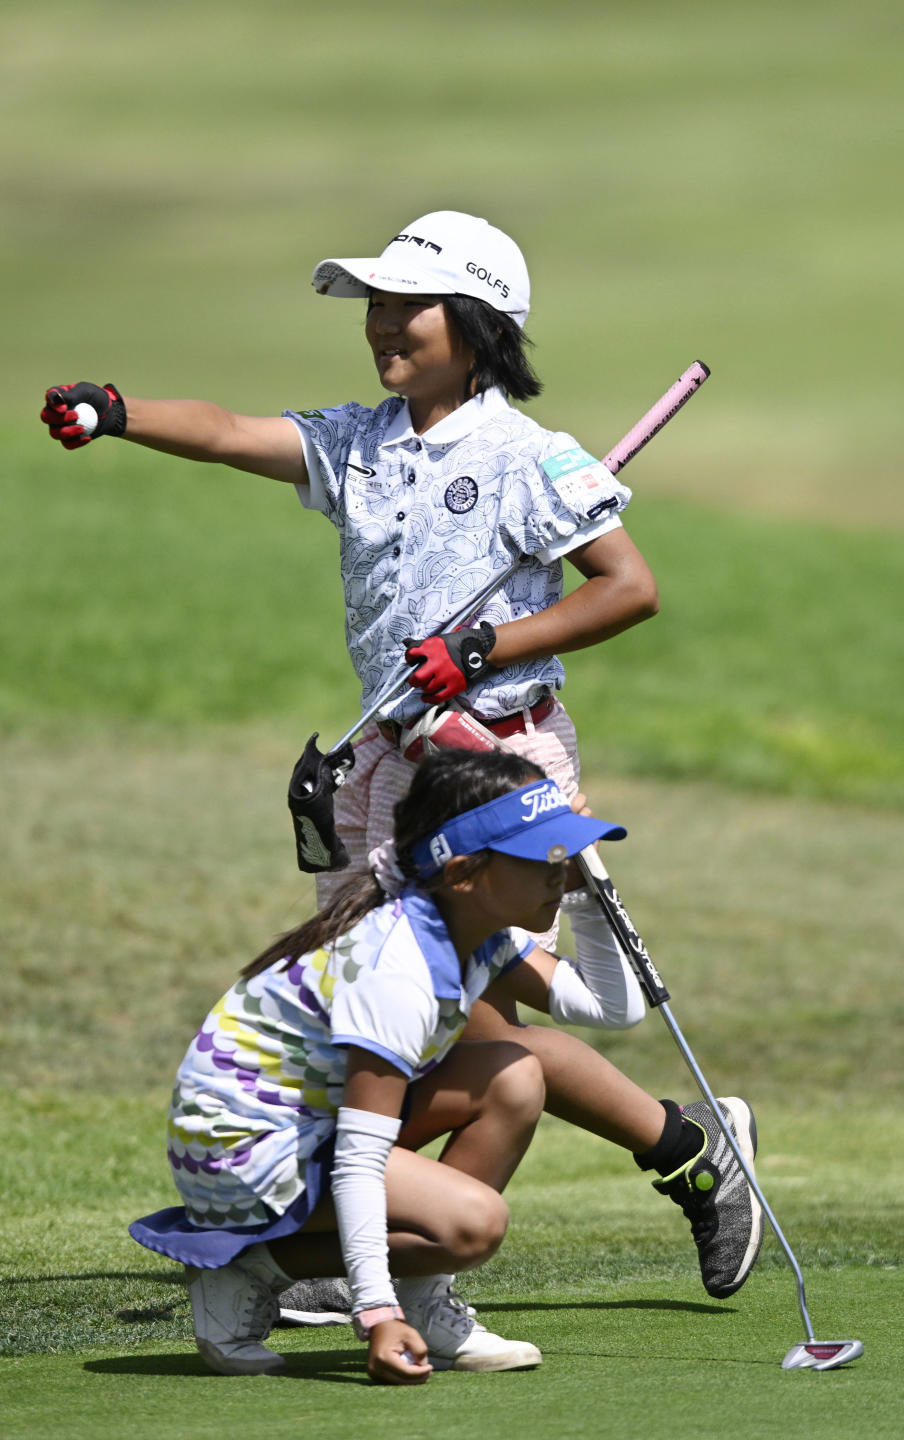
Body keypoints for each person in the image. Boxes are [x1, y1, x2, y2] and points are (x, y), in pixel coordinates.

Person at [41, 209, 763, 1313]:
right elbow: (233, 431)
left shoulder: (532, 459)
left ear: (473, 324)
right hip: (388, 760)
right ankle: (634, 1164)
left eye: (406, 304)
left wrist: (485, 644)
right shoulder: (356, 442)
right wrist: (118, 410)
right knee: (406, 1012)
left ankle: (586, 1193)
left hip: (496, 762)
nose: (382, 323)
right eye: (375, 304)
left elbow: (629, 588)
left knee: (467, 1015)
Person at [129, 749, 647, 1381]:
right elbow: (358, 1160)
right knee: (473, 1225)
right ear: (463, 872)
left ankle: (422, 1299)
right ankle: (253, 1267)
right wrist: (377, 1314)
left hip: (306, 1127)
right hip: (240, 1152)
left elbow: (613, 1005)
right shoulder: (396, 969)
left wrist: (593, 888)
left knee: (515, 1072)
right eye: (544, 857)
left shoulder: (472, 928)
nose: (557, 872)